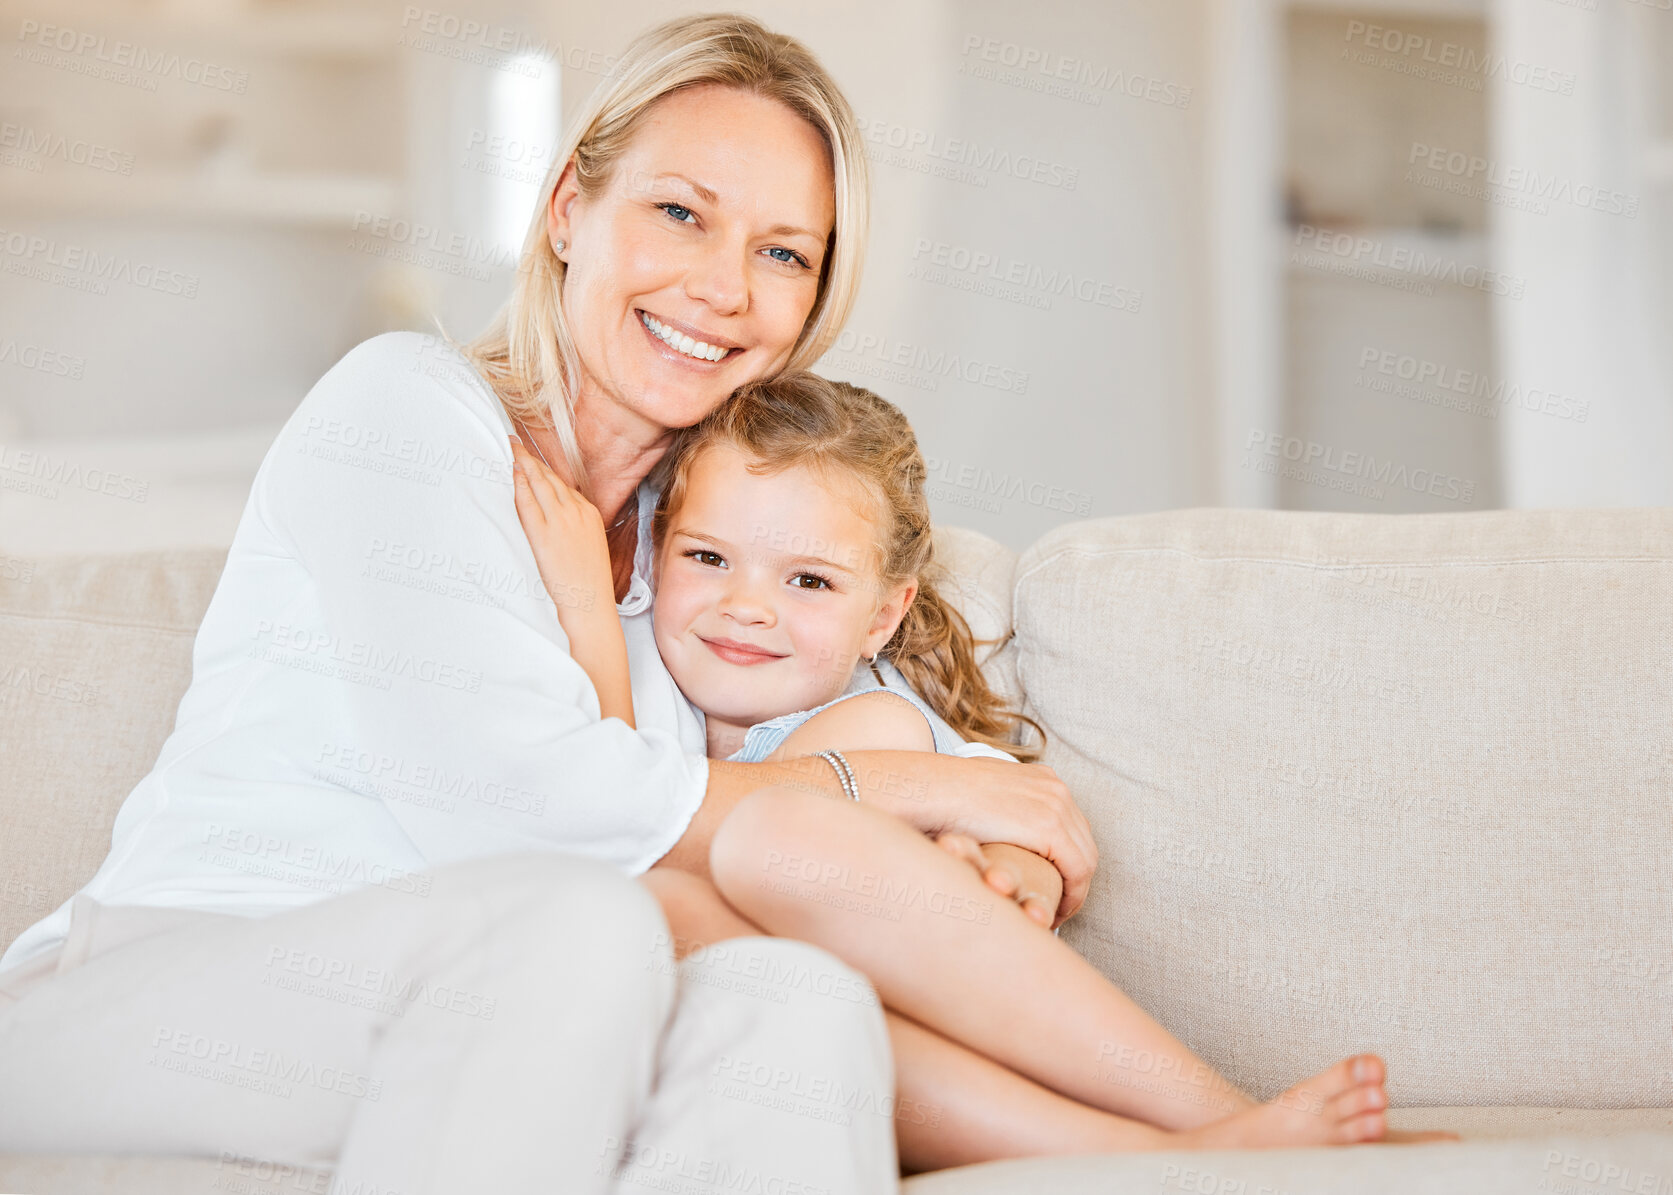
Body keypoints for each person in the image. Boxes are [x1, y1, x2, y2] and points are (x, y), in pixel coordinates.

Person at [0, 13, 1035, 1193]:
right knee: (584, 926)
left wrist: (984, 812)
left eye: (783, 253)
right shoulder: (406, 412)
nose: (721, 287)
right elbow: (527, 809)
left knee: (792, 1003)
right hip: (173, 982)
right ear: (565, 209)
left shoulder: (701, 559)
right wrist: (908, 789)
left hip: (512, 1030)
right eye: (680, 212)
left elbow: (877, 722)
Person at [508, 371, 1460, 1172]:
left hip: (920, 1001)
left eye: (807, 580)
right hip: (795, 1032)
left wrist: (1010, 877)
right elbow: (609, 812)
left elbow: (1028, 822)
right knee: (671, 907)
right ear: (658, 554)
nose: (745, 607)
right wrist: (591, 605)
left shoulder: (881, 707)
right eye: (708, 557)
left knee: (762, 835)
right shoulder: (647, 684)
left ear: (883, 615)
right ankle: (1169, 1152)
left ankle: (1210, 1115)